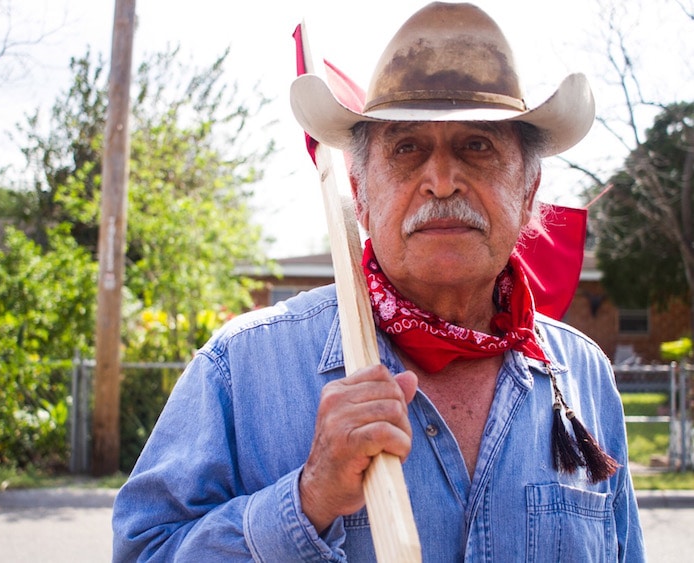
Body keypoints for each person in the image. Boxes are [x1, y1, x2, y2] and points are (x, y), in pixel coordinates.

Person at [112, 3, 646, 560]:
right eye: (407, 148)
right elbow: (143, 549)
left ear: (530, 190)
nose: (441, 181)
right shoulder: (241, 366)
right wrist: (308, 497)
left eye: (478, 145)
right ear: (361, 194)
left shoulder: (584, 376)